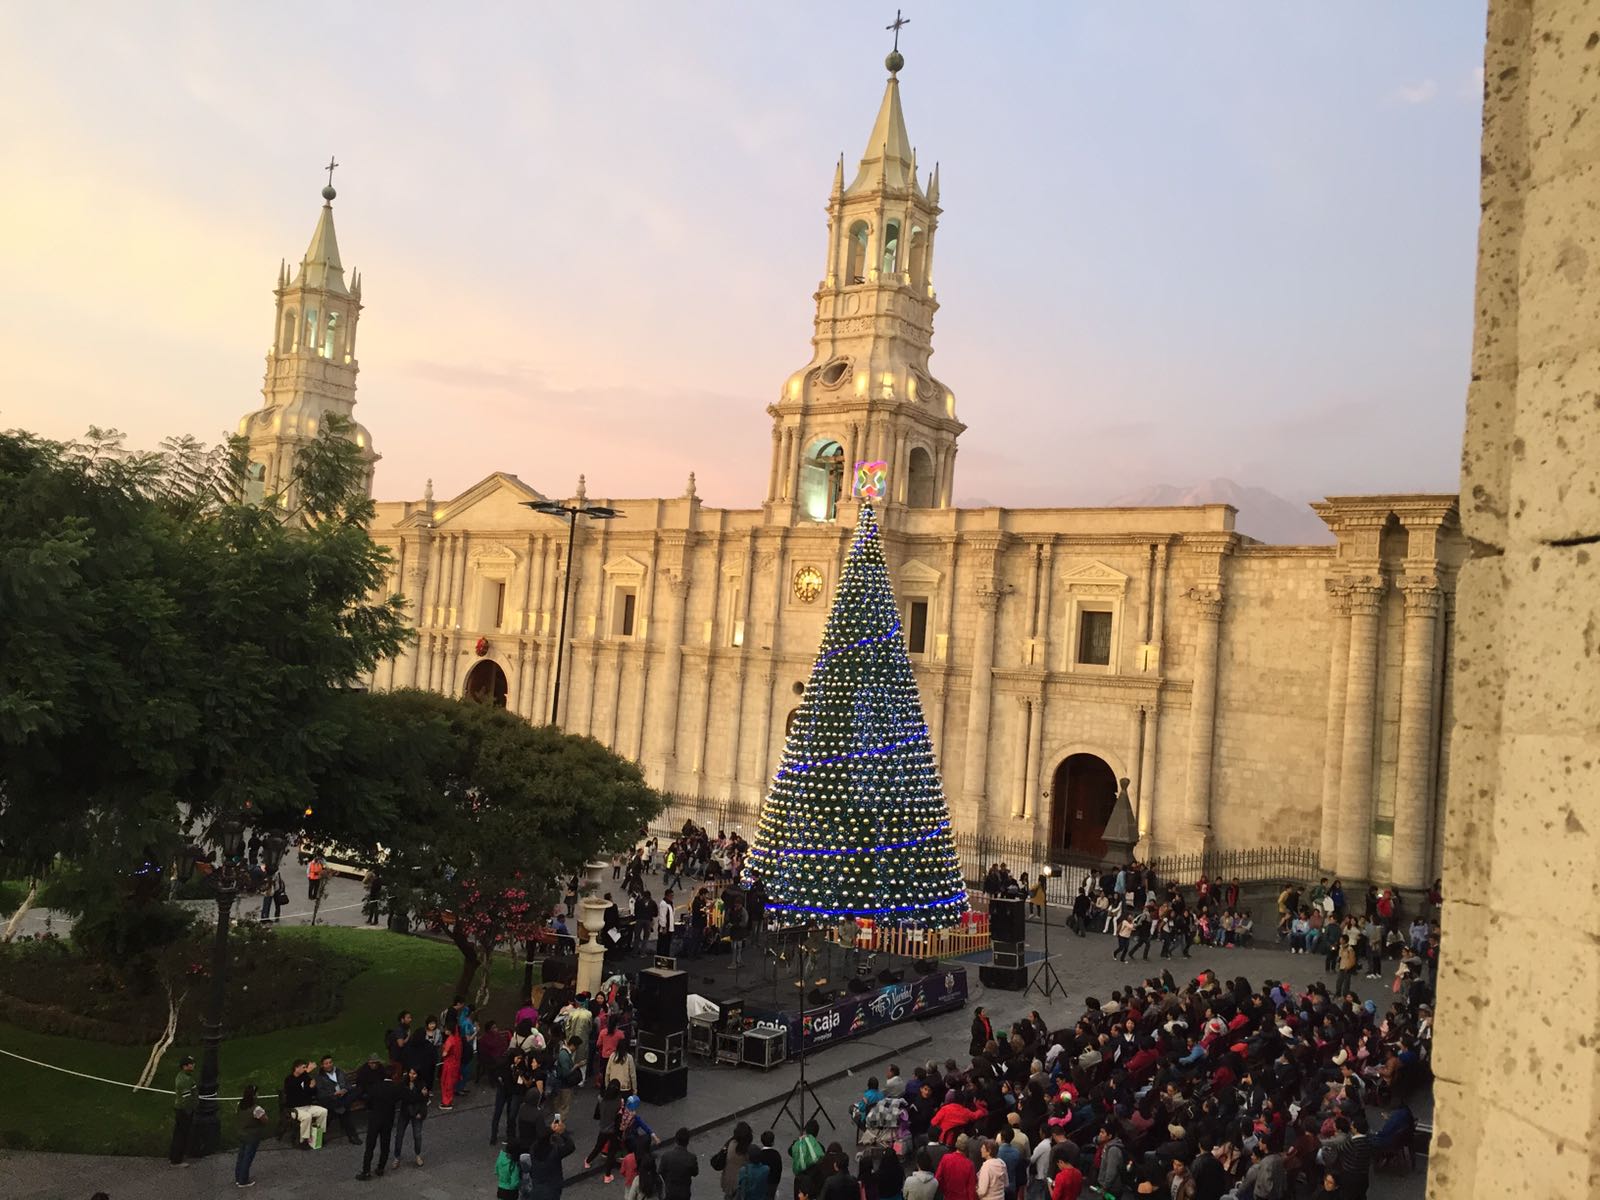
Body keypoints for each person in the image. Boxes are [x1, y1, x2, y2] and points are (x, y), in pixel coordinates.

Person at [358, 1065, 401, 1180]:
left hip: (375, 1118)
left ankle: (366, 1171)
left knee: (370, 1146)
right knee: (385, 1144)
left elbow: (369, 1101)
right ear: (393, 1075)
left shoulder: (375, 1087)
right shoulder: (395, 1088)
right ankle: (381, 1167)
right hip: (388, 1119)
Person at [522, 1112, 577, 1200]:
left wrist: (550, 1130)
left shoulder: (533, 1149)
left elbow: (541, 1138)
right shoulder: (555, 1153)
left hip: (537, 1187)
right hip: (552, 1188)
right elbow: (570, 1147)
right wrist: (562, 1132)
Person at [282, 1059, 328, 1149]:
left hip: (308, 1106)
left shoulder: (306, 1078)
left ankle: (319, 1135)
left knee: (323, 1111)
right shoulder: (289, 1079)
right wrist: (307, 1073)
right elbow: (295, 1087)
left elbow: (311, 1092)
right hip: (295, 1108)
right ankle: (303, 1141)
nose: (305, 1069)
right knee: (307, 1117)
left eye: (305, 1068)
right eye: (303, 1067)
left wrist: (312, 1087)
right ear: (296, 1068)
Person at [315, 1053, 359, 1144]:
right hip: (330, 1099)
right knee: (343, 1111)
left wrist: (345, 1090)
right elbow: (321, 1093)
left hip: (342, 1097)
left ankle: (319, 1138)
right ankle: (352, 1136)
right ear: (322, 1065)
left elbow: (348, 1085)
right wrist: (334, 1094)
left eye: (330, 1062)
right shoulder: (320, 1077)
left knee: (340, 1109)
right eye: (326, 1063)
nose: (329, 1065)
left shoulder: (339, 1072)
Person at [392, 1065, 429, 1168]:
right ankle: (397, 1156)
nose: (412, 1075)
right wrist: (420, 1096)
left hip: (416, 1112)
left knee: (417, 1135)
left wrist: (421, 1113)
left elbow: (424, 1101)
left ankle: (418, 1155)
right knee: (399, 1135)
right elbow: (407, 1097)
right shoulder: (404, 1083)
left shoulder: (421, 1084)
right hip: (405, 1112)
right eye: (410, 1073)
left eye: (414, 1074)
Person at [234, 1082, 268, 1187]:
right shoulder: (256, 1109)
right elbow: (265, 1120)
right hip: (252, 1136)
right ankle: (243, 1180)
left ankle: (238, 1177)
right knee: (247, 1158)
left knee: (241, 1157)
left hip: (241, 1134)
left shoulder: (240, 1104)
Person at [169, 1054, 198, 1166]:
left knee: (178, 1133)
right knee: (182, 1135)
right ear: (185, 1066)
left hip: (181, 1109)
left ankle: (173, 1156)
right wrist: (191, 1109)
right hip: (184, 1110)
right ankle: (176, 1160)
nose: (193, 1065)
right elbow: (187, 1099)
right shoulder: (185, 1080)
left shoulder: (184, 1076)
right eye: (191, 1064)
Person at [716, 1121, 755, 1200]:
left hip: (728, 1178)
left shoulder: (731, 1143)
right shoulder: (747, 1150)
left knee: (728, 1197)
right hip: (739, 1183)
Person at [659, 1127, 700, 1200]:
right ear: (687, 1142)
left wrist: (668, 1180)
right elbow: (695, 1173)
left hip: (670, 1191)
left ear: (676, 1140)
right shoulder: (691, 1158)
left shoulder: (666, 1156)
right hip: (684, 1193)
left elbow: (661, 1171)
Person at [439, 1018, 464, 1110]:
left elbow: (444, 1054)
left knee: (446, 1083)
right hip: (455, 1064)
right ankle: (448, 1100)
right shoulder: (457, 1039)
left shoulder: (450, 1040)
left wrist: (443, 1049)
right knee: (450, 1083)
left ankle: (447, 1102)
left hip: (449, 1065)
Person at [658, 890, 678, 959]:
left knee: (667, 943)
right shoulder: (663, 904)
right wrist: (663, 927)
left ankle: (666, 956)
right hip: (665, 928)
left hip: (670, 927)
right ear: (667, 895)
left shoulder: (670, 903)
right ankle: (661, 956)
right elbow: (662, 916)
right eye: (671, 895)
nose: (672, 897)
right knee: (663, 943)